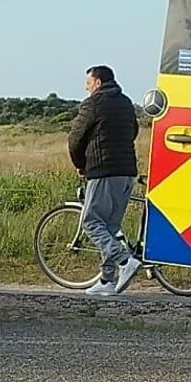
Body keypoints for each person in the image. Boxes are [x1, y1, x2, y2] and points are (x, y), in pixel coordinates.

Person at [67, 64, 141, 296]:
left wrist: (80, 164)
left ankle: (124, 261)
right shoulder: (126, 102)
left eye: (88, 83)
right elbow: (134, 131)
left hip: (103, 170)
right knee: (109, 227)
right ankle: (107, 280)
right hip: (127, 171)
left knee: (91, 221)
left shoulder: (93, 103)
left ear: (98, 83)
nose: (86, 87)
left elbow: (75, 137)